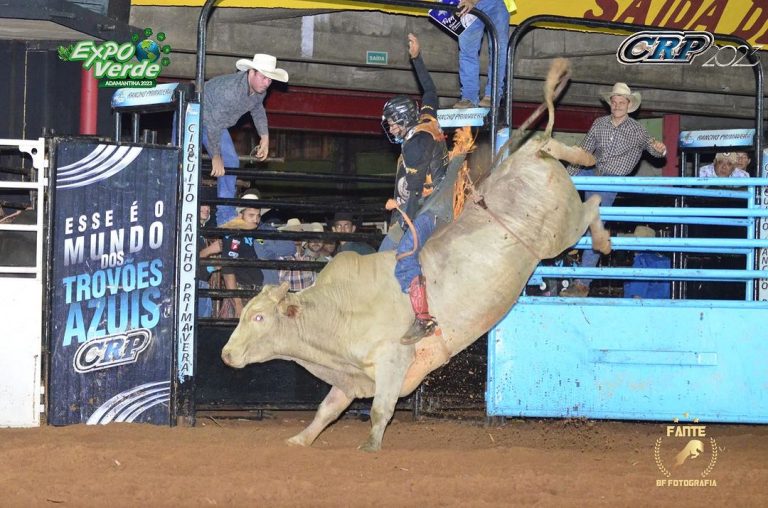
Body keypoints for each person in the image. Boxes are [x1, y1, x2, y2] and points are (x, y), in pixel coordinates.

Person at [561, 82, 667, 298]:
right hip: (593, 172)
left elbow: (652, 147)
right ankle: (563, 231)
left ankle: (582, 283)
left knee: (595, 227)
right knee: (556, 178)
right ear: (610, 103)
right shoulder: (599, 124)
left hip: (611, 180)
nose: (617, 105)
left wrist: (660, 149)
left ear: (629, 105)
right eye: (615, 101)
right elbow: (584, 150)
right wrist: (567, 176)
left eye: (622, 102)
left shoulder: (637, 130)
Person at [381, 34, 448, 345]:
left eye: (394, 124)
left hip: (431, 208)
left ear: (404, 122)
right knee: (384, 254)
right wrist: (417, 58)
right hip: (432, 201)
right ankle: (392, 311)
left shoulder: (415, 147)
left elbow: (416, 191)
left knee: (405, 252)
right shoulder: (426, 120)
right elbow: (431, 91)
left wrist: (402, 222)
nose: (391, 129)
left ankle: (423, 319)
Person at [203, 53, 288, 225]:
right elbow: (211, 123)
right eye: (264, 77)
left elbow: (257, 109)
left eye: (270, 80)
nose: (267, 83)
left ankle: (225, 215)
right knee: (179, 157)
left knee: (231, 161)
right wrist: (215, 156)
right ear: (251, 72)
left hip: (216, 124)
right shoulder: (230, 91)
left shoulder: (258, 91)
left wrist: (264, 137)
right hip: (195, 116)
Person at [200, 192, 293, 317]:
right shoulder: (234, 234)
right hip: (243, 293)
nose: (255, 219)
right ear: (240, 214)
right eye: (251, 215)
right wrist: (238, 304)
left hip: (256, 292)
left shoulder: (253, 234)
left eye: (258, 216)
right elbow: (228, 271)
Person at [453, 0, 514, 108]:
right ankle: (469, 97)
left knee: (498, 49)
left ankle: (492, 94)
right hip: (467, 3)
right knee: (467, 51)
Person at [278, 219, 331, 291]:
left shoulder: (309, 258)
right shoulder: (282, 258)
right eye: (292, 232)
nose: (296, 236)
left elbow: (314, 287)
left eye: (299, 232)